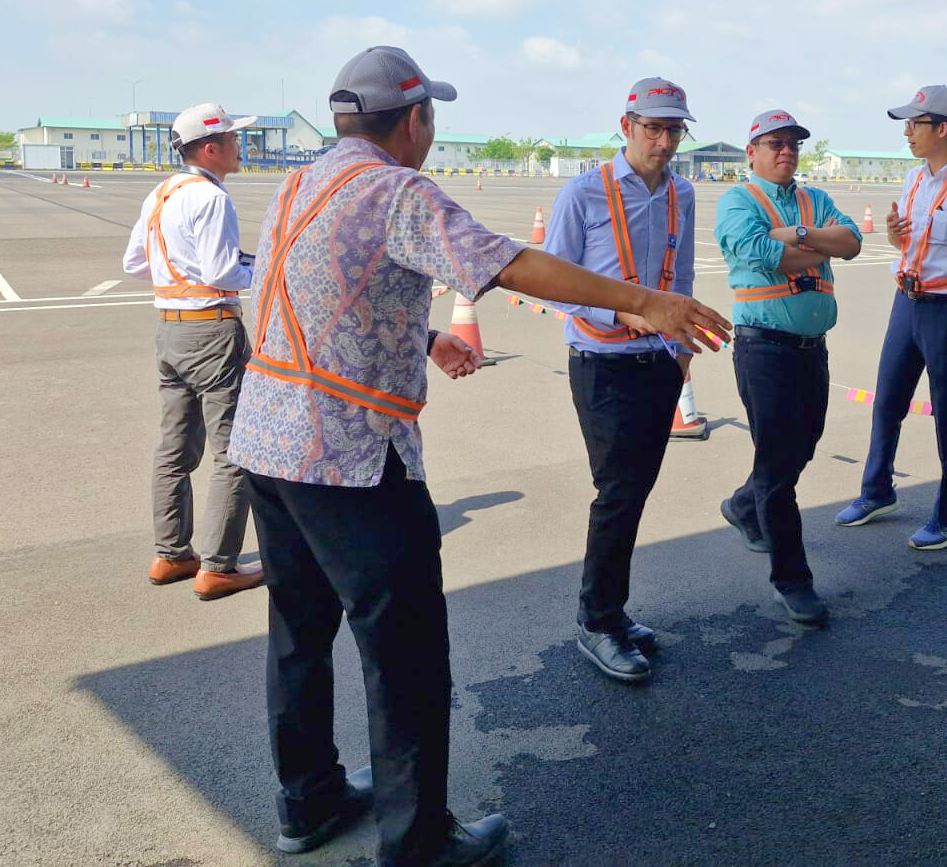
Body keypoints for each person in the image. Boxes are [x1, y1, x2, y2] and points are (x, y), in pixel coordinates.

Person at [230, 48, 729, 867]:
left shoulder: (299, 182)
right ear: (416, 118)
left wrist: (421, 333)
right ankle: (419, 842)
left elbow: (300, 289)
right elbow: (505, 261)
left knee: (299, 632)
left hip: (268, 443)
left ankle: (308, 797)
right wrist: (645, 299)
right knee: (405, 653)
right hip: (351, 455)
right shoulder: (396, 189)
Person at [543, 77, 701, 683]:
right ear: (627, 126)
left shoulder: (681, 193)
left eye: (674, 130)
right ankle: (598, 620)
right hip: (602, 362)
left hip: (659, 362)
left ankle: (612, 610)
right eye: (653, 128)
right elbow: (552, 283)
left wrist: (681, 352)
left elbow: (681, 278)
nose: (664, 141)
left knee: (635, 491)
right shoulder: (584, 192)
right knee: (616, 492)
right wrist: (623, 313)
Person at [835, 85, 947, 551]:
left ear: (942, 129)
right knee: (887, 401)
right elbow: (907, 243)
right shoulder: (913, 180)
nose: (907, 132)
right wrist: (894, 234)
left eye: (915, 123)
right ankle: (877, 492)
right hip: (905, 302)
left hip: (945, 310)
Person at [715, 110, 860, 625]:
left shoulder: (814, 198)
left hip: (811, 348)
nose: (786, 152)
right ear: (751, 151)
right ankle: (792, 580)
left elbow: (852, 242)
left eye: (793, 144)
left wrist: (795, 235)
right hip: (764, 349)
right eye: (775, 143)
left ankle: (742, 504)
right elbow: (759, 253)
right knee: (779, 466)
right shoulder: (738, 200)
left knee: (804, 444)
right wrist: (816, 245)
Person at [122, 102, 265, 601]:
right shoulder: (211, 198)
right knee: (234, 451)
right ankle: (219, 566)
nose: (240, 145)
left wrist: (177, 277)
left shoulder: (162, 192)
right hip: (212, 331)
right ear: (210, 148)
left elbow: (134, 262)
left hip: (170, 330)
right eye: (233, 138)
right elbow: (223, 272)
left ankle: (171, 554)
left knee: (174, 449)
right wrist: (265, 271)